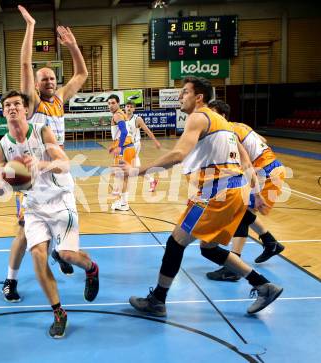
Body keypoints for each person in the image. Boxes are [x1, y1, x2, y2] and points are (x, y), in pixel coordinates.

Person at [121, 77, 283, 317]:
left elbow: (178, 154)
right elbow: (246, 161)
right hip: (234, 190)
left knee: (176, 242)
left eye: (184, 92)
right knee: (209, 248)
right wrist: (255, 192)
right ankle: (263, 285)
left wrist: (138, 171)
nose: (180, 96)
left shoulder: (198, 117)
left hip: (215, 193)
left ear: (199, 97)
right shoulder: (225, 124)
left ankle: (157, 300)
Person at [1, 5, 88, 302]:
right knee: (24, 233)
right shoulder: (33, 102)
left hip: (55, 172)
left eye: (52, 78)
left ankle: (61, 255)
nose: (49, 82)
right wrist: (30, 27)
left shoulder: (61, 99)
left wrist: (73, 46)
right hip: (30, 173)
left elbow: (82, 73)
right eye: (44, 79)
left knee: (58, 228)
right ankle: (10, 280)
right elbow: (25, 65)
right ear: (35, 86)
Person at [0, 90, 99, 338]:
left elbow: (64, 162)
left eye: (17, 104)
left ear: (25, 109)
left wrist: (39, 165)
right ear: (3, 111)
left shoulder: (41, 131)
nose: (12, 108)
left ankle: (91, 268)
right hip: (34, 207)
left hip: (61, 200)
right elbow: (0, 182)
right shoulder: (2, 147)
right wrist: (5, 181)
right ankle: (59, 313)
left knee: (66, 254)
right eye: (7, 105)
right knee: (38, 256)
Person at [206, 100, 285, 282]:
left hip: (265, 170)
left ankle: (234, 267)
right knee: (242, 211)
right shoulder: (240, 125)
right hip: (270, 166)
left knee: (239, 213)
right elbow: (263, 141)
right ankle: (269, 242)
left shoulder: (228, 132)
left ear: (223, 116)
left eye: (213, 113)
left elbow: (243, 161)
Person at [124, 101, 162, 192]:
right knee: (134, 167)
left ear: (134, 109)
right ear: (124, 108)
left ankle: (122, 186)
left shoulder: (138, 119)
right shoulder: (121, 118)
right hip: (125, 145)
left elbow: (148, 131)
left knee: (131, 166)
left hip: (135, 144)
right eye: (127, 106)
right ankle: (152, 180)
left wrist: (156, 141)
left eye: (131, 107)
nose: (129, 108)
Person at [108, 94, 136, 211]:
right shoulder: (121, 114)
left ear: (118, 103)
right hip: (128, 147)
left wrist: (119, 147)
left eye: (113, 103)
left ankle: (124, 203)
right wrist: (114, 145)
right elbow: (121, 133)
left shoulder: (117, 115)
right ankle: (123, 201)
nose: (110, 105)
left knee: (123, 176)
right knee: (121, 176)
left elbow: (124, 132)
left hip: (125, 148)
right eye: (109, 103)